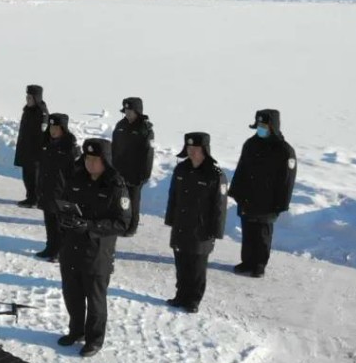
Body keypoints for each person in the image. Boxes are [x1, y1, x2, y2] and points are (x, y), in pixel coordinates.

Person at [57, 138, 132, 358]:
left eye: (95, 159)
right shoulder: (77, 178)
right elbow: (63, 203)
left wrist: (90, 226)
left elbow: (122, 223)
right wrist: (65, 218)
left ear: (105, 161)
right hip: (71, 248)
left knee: (95, 299)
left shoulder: (116, 186)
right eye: (88, 158)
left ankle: (94, 339)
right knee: (72, 294)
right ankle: (76, 330)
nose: (90, 163)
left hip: (97, 252)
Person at [228, 109, 297, 278]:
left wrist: (281, 203)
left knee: (262, 234)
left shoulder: (284, 150)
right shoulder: (250, 144)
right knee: (248, 231)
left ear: (273, 126)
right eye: (259, 125)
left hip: (268, 201)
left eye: (264, 125)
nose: (261, 128)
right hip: (248, 197)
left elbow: (287, 180)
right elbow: (241, 168)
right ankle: (247, 261)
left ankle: (259, 264)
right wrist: (236, 191)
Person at [164, 132, 228, 313]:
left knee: (197, 267)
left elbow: (220, 206)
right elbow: (173, 196)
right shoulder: (181, 169)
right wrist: (170, 219)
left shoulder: (215, 175)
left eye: (195, 148)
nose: (191, 152)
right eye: (189, 148)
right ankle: (181, 295)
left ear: (205, 150)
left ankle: (193, 299)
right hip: (181, 225)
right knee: (181, 263)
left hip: (201, 229)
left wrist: (216, 231)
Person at [34, 113, 80, 262]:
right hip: (47, 188)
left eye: (56, 127)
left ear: (63, 129)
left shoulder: (70, 147)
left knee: (61, 224)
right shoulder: (46, 143)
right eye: (51, 127)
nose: (53, 130)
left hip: (62, 190)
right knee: (49, 220)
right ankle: (50, 246)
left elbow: (74, 172)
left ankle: (61, 250)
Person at [111, 97, 155, 237]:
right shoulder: (120, 125)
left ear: (138, 112)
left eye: (131, 111)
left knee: (133, 200)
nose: (128, 113)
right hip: (120, 169)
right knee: (120, 199)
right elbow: (114, 147)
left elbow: (148, 154)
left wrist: (144, 175)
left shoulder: (145, 129)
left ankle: (132, 226)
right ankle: (120, 223)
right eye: (126, 110)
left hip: (136, 172)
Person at [14, 85, 49, 208]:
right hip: (26, 150)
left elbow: (42, 135)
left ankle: (35, 199)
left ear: (36, 98)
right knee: (27, 176)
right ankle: (30, 197)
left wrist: (38, 153)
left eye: (30, 98)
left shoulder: (41, 112)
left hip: (35, 153)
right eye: (27, 97)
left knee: (34, 177)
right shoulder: (28, 110)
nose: (27, 100)